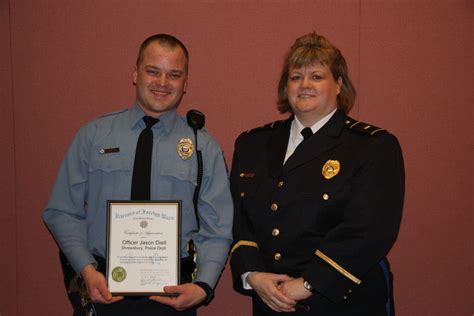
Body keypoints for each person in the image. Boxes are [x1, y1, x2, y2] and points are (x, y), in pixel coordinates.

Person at [43, 34, 233, 315]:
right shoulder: (93, 135)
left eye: (174, 74)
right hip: (102, 287)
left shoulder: (203, 147)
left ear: (185, 84)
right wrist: (86, 270)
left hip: (173, 297)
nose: (162, 83)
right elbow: (60, 211)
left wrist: (203, 285)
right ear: (135, 73)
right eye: (153, 71)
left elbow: (219, 228)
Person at [229, 32, 404, 315]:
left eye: (317, 77)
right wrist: (253, 276)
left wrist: (310, 282)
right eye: (296, 77)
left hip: (341, 300)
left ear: (339, 85)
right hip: (272, 299)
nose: (305, 85)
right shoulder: (253, 145)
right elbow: (240, 219)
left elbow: (370, 230)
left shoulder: (371, 146)